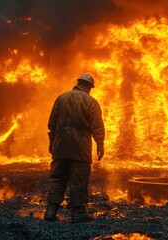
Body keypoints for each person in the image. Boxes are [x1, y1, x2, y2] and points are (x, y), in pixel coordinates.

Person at [44, 73, 105, 223]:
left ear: (77, 83)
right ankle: (78, 215)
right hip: (80, 149)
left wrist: (53, 143)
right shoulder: (91, 102)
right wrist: (100, 143)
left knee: (57, 178)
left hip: (61, 147)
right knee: (79, 180)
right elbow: (97, 126)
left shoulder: (61, 98)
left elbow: (52, 124)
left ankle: (51, 211)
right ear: (90, 87)